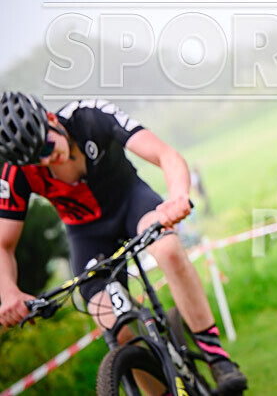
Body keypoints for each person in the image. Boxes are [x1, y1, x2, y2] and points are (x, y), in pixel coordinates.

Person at [0, 93, 247, 395]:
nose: (46, 160)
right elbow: (3, 244)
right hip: (87, 234)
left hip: (132, 204)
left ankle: (217, 359)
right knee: (111, 321)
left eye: (47, 147)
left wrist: (178, 197)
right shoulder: (16, 173)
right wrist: (8, 292)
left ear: (52, 120)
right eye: (34, 160)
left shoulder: (90, 116)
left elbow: (165, 155)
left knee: (168, 250)